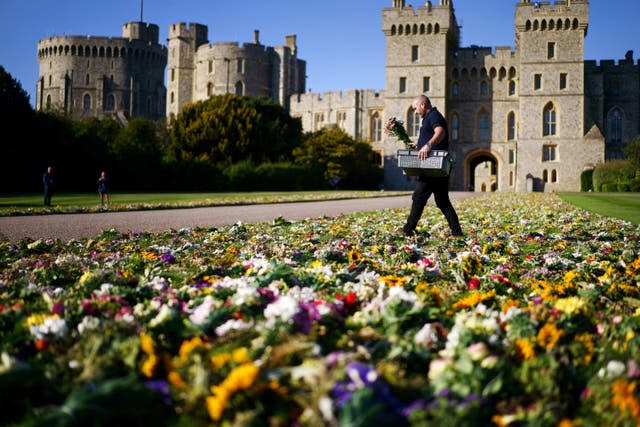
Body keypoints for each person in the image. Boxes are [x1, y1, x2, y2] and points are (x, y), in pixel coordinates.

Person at [401, 95, 463, 237]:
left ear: (423, 105)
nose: (415, 112)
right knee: (442, 201)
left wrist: (428, 146)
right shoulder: (429, 118)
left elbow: (440, 132)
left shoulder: (434, 115)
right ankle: (457, 232)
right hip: (436, 167)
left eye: (415, 108)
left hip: (433, 167)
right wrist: (419, 145)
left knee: (419, 197)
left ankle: (407, 230)